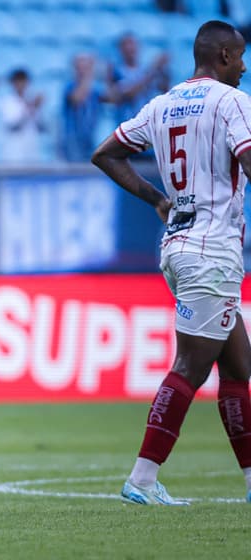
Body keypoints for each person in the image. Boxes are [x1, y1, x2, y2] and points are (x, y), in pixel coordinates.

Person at [92, 20, 251, 506]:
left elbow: (106, 153)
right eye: (241, 57)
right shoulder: (233, 103)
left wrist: (158, 199)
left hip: (179, 245)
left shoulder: (162, 105)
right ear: (223, 55)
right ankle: (141, 478)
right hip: (213, 249)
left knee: (239, 366)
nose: (244, 67)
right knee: (189, 367)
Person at [107, 33, 170, 124]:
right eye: (126, 45)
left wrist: (164, 71)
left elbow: (165, 90)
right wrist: (154, 69)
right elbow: (129, 93)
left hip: (147, 125)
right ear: (120, 49)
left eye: (132, 44)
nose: (130, 48)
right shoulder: (116, 71)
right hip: (126, 125)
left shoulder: (145, 70)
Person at [61, 53, 110, 162]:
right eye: (81, 67)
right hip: (73, 140)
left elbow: (111, 98)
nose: (83, 70)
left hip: (92, 135)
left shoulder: (95, 89)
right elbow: (77, 99)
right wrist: (90, 75)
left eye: (86, 67)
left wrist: (107, 75)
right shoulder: (69, 86)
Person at [0, 68, 44, 163]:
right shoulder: (7, 102)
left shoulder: (31, 100)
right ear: (12, 83)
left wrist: (37, 108)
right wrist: (31, 107)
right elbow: (13, 125)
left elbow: (40, 126)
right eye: (18, 81)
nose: (21, 85)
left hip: (31, 151)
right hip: (14, 153)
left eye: (24, 81)